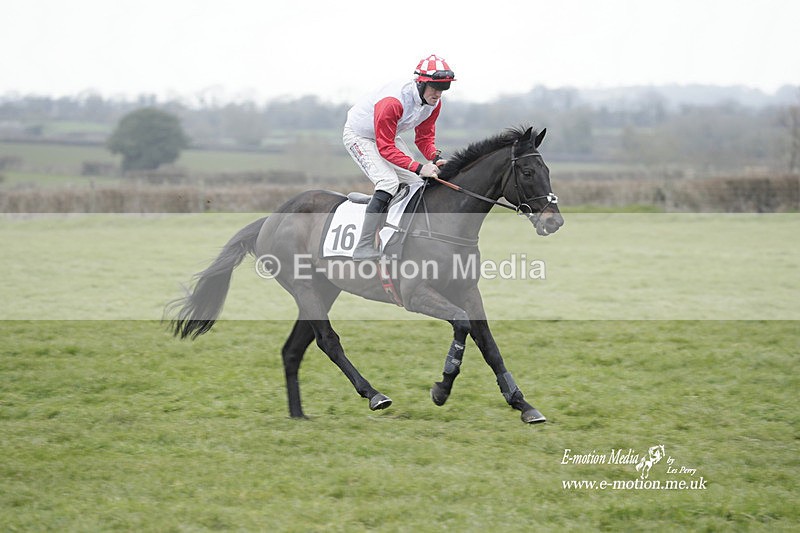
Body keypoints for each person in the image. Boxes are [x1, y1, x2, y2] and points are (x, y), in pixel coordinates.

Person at [343, 54, 455, 260]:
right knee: (388, 182)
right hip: (360, 136)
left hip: (386, 137)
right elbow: (385, 148)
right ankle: (364, 245)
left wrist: (434, 157)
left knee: (417, 185)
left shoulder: (434, 104)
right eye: (435, 87)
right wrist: (420, 167)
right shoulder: (392, 102)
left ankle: (401, 232)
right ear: (420, 83)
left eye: (444, 88)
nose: (439, 93)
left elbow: (424, 138)